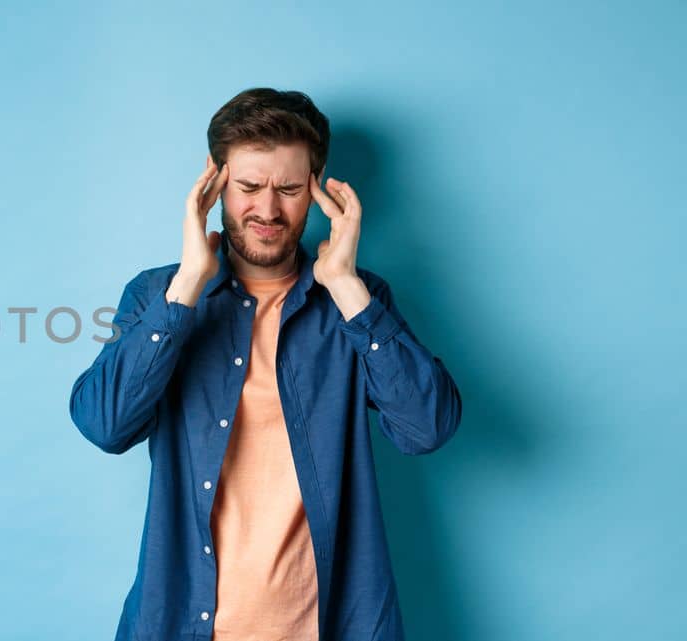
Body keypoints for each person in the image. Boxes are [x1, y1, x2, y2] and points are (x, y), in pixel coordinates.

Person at [67, 88, 463, 641]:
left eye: (290, 189)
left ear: (318, 189)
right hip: (183, 624)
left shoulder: (357, 303)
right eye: (249, 187)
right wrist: (186, 286)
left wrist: (347, 288)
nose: (268, 210)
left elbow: (428, 427)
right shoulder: (159, 295)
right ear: (215, 182)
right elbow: (103, 425)